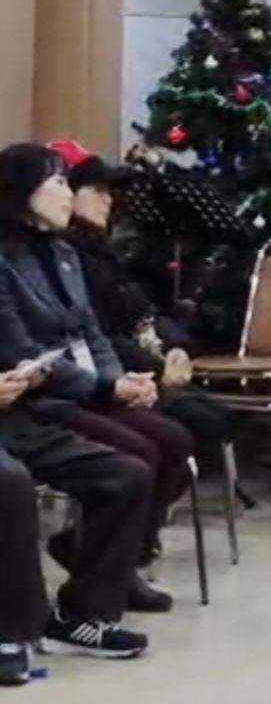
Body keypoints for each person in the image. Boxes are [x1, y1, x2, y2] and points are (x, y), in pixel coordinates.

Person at [0, 144, 186, 611]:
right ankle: (98, 580)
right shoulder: (5, 260)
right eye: (59, 182)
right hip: (44, 394)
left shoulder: (66, 254)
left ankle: (110, 561)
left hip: (89, 384)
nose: (69, 193)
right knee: (138, 455)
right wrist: (105, 387)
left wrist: (121, 381)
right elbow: (24, 353)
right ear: (24, 191)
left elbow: (92, 332)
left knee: (175, 440)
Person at [50, 140, 234, 460]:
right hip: (108, 377)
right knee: (189, 428)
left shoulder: (101, 250)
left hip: (139, 366)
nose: (109, 200)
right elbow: (96, 335)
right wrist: (157, 369)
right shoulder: (66, 257)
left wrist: (176, 347)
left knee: (214, 417)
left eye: (110, 191)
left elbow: (143, 310)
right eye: (97, 190)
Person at [0, 341, 153, 676]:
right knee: (11, 483)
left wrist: (29, 374)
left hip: (13, 421)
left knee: (127, 476)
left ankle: (82, 616)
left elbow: (18, 347)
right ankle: (9, 632)